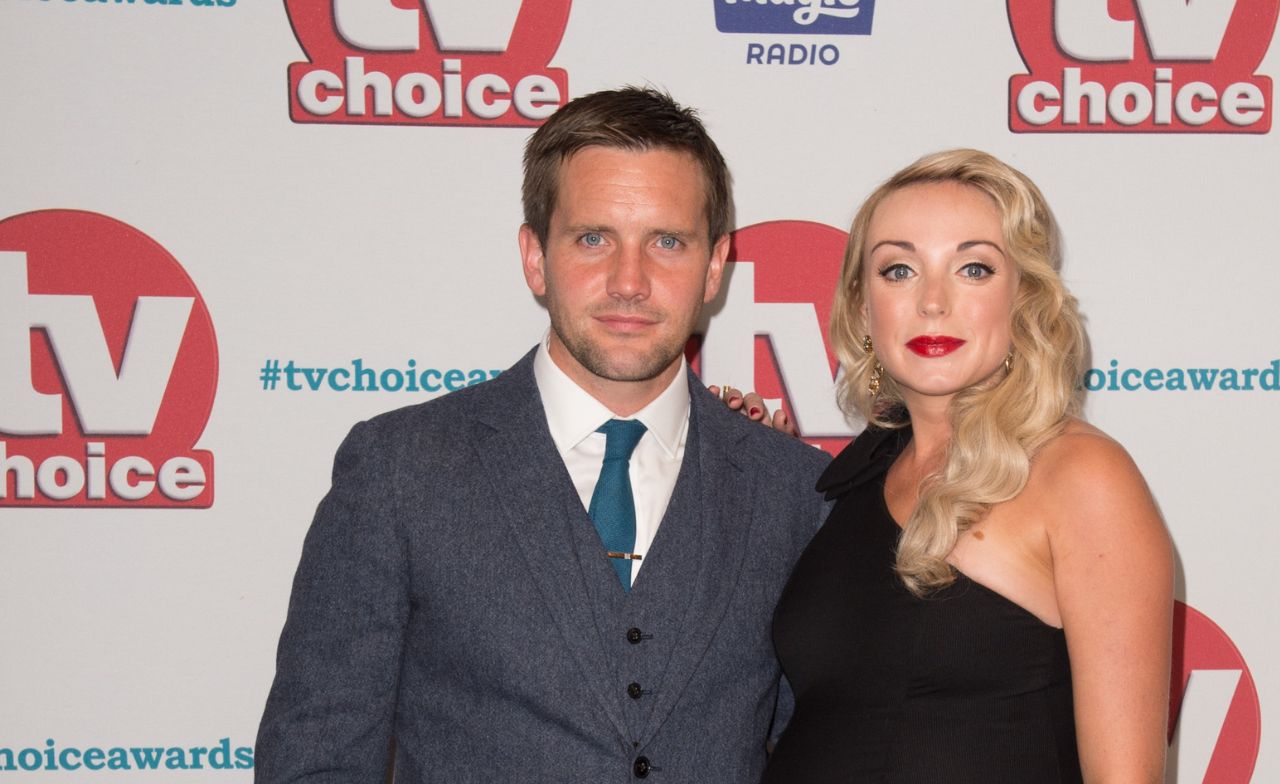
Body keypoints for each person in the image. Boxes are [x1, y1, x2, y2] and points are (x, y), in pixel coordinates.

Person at [254, 87, 829, 783]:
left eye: (667, 242)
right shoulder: (399, 471)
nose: (629, 282)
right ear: (534, 257)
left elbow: (821, 751)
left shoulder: (793, 492)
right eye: (593, 239)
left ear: (714, 266)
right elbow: (316, 758)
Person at [761, 149, 1174, 783]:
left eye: (974, 268)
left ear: (1023, 297)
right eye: (899, 270)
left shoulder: (1079, 475)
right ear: (863, 307)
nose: (933, 302)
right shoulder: (857, 477)